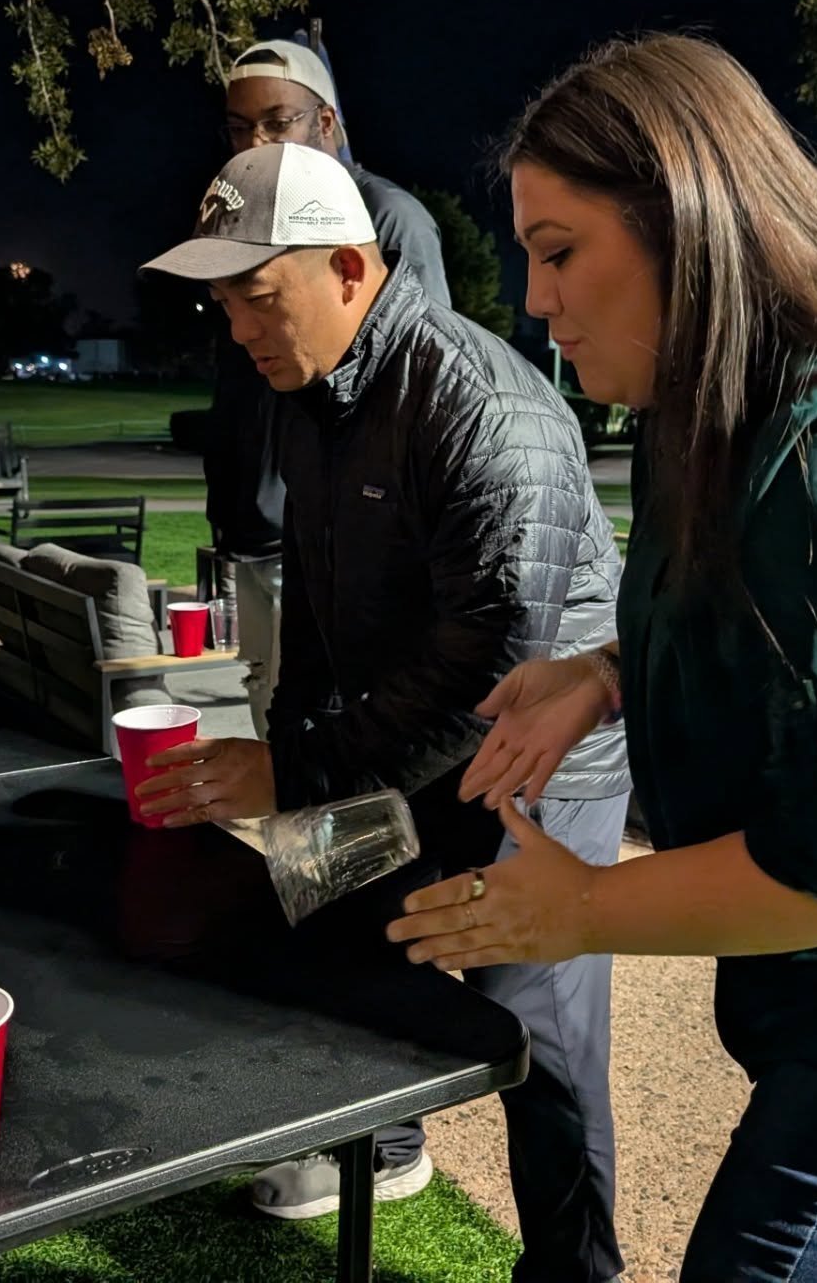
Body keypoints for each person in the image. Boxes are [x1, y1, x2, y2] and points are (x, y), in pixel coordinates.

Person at [388, 33, 817, 1281]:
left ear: (690, 222)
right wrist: (603, 672)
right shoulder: (703, 409)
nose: (535, 302)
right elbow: (763, 622)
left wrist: (581, 908)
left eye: (559, 251)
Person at [138, 142, 629, 1282]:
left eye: (259, 297)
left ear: (352, 269)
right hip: (407, 754)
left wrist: (297, 772)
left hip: (538, 779)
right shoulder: (309, 395)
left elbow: (490, 667)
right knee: (349, 949)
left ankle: (576, 1274)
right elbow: (312, 607)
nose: (241, 329)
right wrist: (288, 752)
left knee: (539, 1055)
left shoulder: (478, 404)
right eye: (224, 304)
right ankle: (391, 1146)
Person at [208, 39, 454, 738]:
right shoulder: (242, 213)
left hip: (337, 535)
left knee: (343, 731)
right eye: (237, 127)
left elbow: (422, 386)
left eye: (276, 121)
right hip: (264, 525)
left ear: (327, 124)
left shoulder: (388, 218)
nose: (254, 142)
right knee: (275, 706)